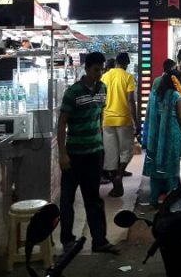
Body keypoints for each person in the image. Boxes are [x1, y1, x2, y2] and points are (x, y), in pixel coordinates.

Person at [57, 52, 119, 254]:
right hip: (74, 154)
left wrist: (100, 143)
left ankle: (99, 241)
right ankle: (67, 240)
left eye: (102, 70)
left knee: (94, 199)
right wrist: (62, 154)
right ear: (87, 68)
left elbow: (98, 117)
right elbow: (62, 124)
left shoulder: (103, 89)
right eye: (96, 70)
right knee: (67, 199)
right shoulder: (72, 92)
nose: (99, 74)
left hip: (95, 153)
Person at [143, 59, 181, 205]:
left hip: (154, 136)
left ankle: (154, 199)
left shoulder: (154, 94)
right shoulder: (176, 96)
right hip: (171, 135)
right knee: (172, 165)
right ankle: (172, 201)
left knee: (156, 168)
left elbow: (148, 114)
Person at [102, 52, 138, 198]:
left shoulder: (105, 76)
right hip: (124, 120)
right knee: (126, 151)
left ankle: (115, 181)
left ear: (116, 62)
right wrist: (136, 121)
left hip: (107, 120)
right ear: (127, 64)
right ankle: (119, 176)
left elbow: (100, 99)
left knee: (111, 153)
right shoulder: (128, 77)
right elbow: (131, 100)